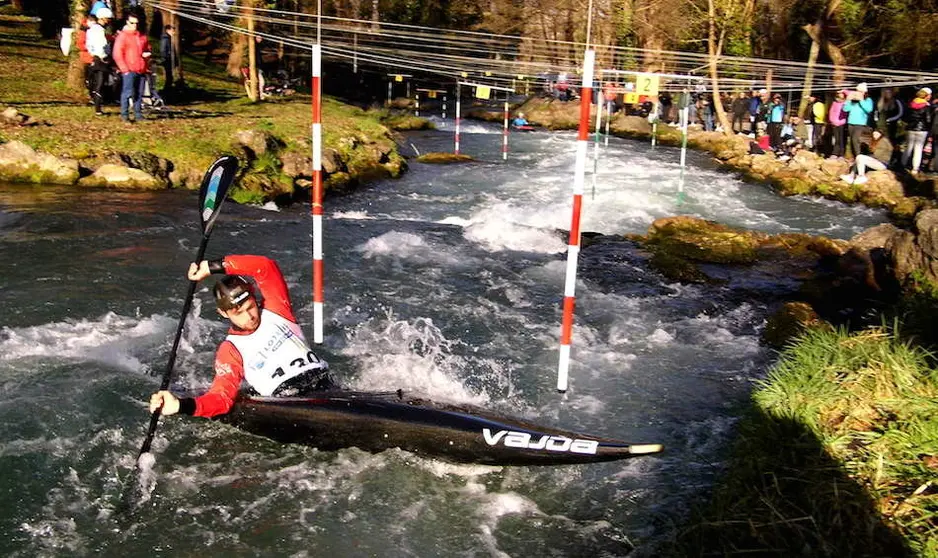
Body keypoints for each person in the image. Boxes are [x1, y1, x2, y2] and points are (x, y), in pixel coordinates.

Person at [149, 255, 332, 419]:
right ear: (223, 313)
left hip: (327, 386)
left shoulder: (277, 310)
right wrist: (181, 406)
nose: (249, 316)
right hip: (292, 403)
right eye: (239, 312)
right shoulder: (230, 350)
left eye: (250, 306)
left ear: (254, 296)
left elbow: (265, 267)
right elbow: (222, 398)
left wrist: (212, 266)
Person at [112, 14, 151, 123]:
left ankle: (138, 115)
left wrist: (147, 55)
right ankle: (125, 115)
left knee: (139, 93)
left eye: (136, 23)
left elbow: (148, 48)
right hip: (129, 69)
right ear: (127, 23)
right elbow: (117, 53)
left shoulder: (142, 36)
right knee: (127, 93)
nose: (135, 25)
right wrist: (124, 69)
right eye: (132, 23)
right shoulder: (123, 36)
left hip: (141, 69)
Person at [85, 10, 112, 116]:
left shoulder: (91, 29)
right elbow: (103, 46)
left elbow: (89, 45)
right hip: (101, 59)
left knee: (97, 83)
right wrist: (105, 56)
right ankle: (98, 108)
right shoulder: (100, 30)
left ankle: (97, 107)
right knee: (100, 83)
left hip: (94, 58)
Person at [902, 87, 932, 175]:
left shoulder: (911, 103)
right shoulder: (926, 106)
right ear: (926, 96)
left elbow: (906, 117)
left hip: (910, 129)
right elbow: (928, 119)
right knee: (918, 149)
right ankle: (915, 169)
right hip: (922, 129)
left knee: (908, 147)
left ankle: (902, 165)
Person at [842, 82, 874, 159]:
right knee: (852, 142)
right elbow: (845, 109)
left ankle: (858, 156)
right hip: (851, 122)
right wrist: (848, 100)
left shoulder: (868, 100)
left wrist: (861, 100)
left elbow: (869, 109)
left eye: (860, 91)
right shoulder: (853, 101)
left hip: (860, 123)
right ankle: (854, 157)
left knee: (855, 140)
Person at [828, 90, 847, 159]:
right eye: (838, 97)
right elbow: (831, 112)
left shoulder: (846, 104)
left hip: (842, 123)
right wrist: (832, 121)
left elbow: (845, 114)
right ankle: (835, 153)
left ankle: (841, 154)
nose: (840, 99)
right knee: (836, 139)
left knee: (841, 139)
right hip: (834, 124)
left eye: (842, 98)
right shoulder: (834, 104)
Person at [159, 24, 178, 94]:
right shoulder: (165, 39)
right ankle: (166, 91)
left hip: (169, 60)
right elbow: (163, 50)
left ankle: (168, 91)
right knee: (169, 77)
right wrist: (166, 59)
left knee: (170, 77)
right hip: (167, 61)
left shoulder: (169, 38)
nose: (174, 32)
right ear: (168, 30)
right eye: (173, 30)